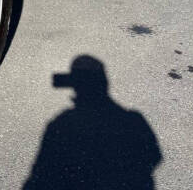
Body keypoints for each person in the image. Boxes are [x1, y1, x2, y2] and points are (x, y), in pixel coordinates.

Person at [24, 55, 162, 189]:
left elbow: (42, 169)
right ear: (104, 83)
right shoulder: (134, 119)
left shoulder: (62, 122)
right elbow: (155, 156)